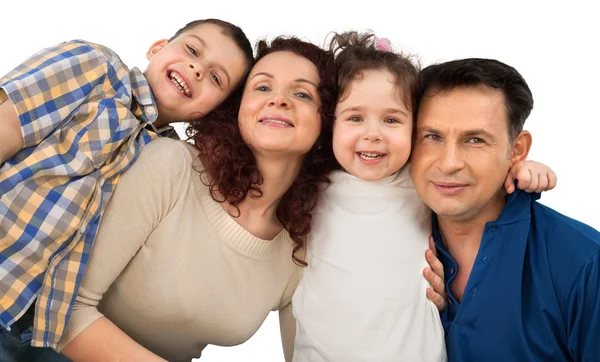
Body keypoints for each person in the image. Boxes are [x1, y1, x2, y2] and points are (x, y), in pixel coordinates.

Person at [47, 36, 338, 362]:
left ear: (328, 122)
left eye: (301, 93)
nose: (279, 100)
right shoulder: (171, 167)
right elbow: (64, 311)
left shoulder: (300, 248)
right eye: (262, 87)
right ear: (238, 108)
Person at [291, 32, 557, 362]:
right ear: (331, 125)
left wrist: (522, 168)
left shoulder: (420, 181)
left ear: (415, 128)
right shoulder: (311, 185)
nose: (372, 134)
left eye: (391, 120)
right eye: (355, 117)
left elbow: (476, 177)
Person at [0, 18, 253, 360]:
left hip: (44, 325)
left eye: (215, 78)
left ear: (211, 111)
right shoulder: (95, 69)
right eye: (192, 50)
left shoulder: (174, 166)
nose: (196, 69)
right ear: (157, 48)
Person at [410, 58, 599, 361]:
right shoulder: (383, 239)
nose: (448, 163)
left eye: (475, 139)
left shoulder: (584, 262)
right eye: (432, 137)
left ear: (517, 149)